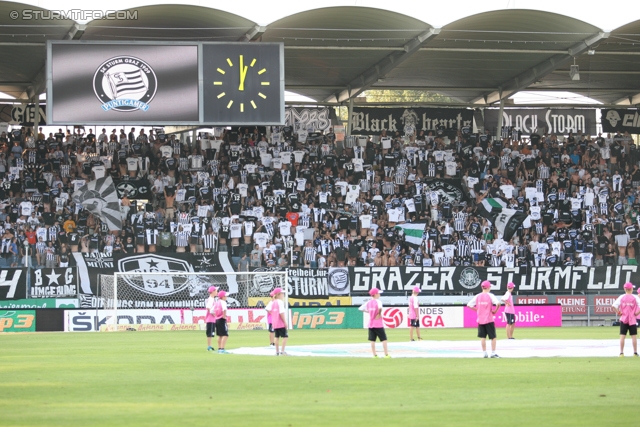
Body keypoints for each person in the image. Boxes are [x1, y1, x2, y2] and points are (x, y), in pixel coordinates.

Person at [467, 280, 501, 358]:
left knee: (483, 337)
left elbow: (469, 305)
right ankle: (493, 353)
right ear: (488, 287)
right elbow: (498, 303)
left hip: (480, 319)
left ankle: (484, 353)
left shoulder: (478, 296)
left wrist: (477, 309)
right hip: (489, 319)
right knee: (493, 337)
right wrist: (495, 311)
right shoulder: (490, 295)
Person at [359, 288, 390, 358]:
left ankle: (374, 354)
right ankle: (386, 354)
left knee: (372, 340)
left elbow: (360, 308)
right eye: (378, 293)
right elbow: (380, 308)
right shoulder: (378, 301)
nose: (379, 294)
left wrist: (369, 312)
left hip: (371, 323)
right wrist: (379, 314)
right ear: (375, 294)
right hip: (378, 324)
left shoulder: (369, 302)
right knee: (384, 339)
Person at [611, 282, 640, 357]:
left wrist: (618, 312)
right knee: (633, 336)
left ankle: (621, 352)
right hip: (632, 319)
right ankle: (635, 352)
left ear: (625, 289)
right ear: (632, 289)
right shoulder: (635, 297)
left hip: (623, 318)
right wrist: (637, 313)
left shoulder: (622, 297)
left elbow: (613, 306)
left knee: (622, 336)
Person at [270, 287, 288, 356]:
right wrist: (285, 322)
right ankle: (282, 351)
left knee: (276, 337)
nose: (283, 295)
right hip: (280, 322)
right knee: (285, 336)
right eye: (282, 293)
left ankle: (277, 351)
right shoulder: (280, 302)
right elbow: (281, 312)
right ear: (279, 294)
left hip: (275, 322)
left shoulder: (273, 302)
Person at [205, 286, 218, 352]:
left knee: (211, 333)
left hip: (212, 319)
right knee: (209, 333)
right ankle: (209, 346)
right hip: (210, 319)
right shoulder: (211, 299)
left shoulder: (213, 299)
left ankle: (210, 345)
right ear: (212, 292)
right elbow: (208, 307)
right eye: (216, 291)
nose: (217, 292)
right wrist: (214, 314)